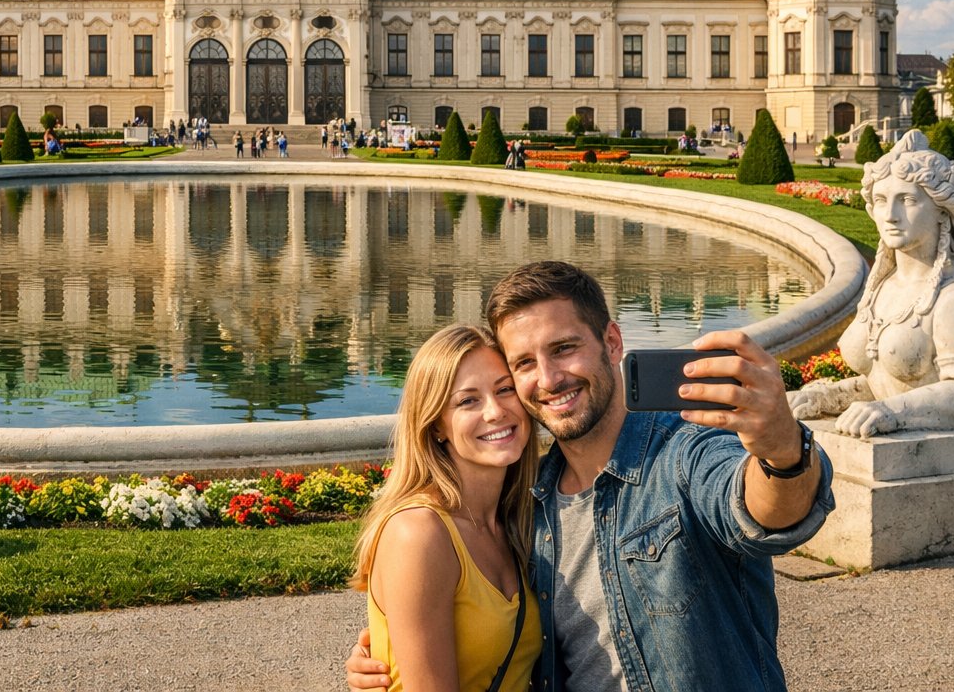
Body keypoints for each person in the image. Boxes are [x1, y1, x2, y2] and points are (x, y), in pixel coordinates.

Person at [350, 260, 832, 692]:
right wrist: (396, 653)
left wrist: (781, 450)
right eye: (523, 364)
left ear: (612, 342)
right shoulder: (528, 504)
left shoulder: (682, 449)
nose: (548, 378)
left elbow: (760, 510)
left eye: (563, 349)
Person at [790, 129, 954, 431]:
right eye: (880, 200)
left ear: (942, 210)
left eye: (907, 200)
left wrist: (892, 412)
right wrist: (828, 397)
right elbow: (886, 383)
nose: (890, 215)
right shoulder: (883, 284)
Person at [353, 324, 542, 692]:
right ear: (436, 424)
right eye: (468, 400)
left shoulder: (518, 520)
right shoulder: (419, 534)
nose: (495, 411)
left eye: (505, 390)